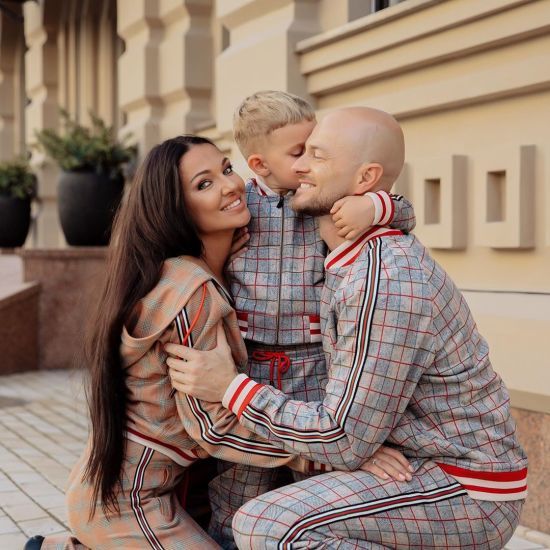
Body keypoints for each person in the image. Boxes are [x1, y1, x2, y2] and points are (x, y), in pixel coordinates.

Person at [167, 108, 528, 549]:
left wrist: (230, 387)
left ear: (364, 179)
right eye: (300, 153)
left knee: (268, 524)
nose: (299, 167)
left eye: (316, 156)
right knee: (249, 511)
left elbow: (343, 440)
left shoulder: (386, 279)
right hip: (409, 465)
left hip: (461, 483)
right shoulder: (345, 258)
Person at [27, 134, 409, 550]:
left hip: (164, 490)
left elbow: (353, 201)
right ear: (176, 207)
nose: (229, 185)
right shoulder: (190, 290)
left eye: (227, 169)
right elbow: (212, 426)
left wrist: (377, 206)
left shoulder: (214, 267)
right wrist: (327, 454)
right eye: (204, 184)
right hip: (128, 501)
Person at [205, 90, 417, 547]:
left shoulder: (324, 199)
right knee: (239, 483)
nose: (307, 163)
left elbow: (405, 211)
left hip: (316, 365)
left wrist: (373, 206)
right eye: (298, 152)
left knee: (316, 476)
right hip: (251, 362)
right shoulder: (242, 204)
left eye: (315, 149)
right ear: (259, 164)